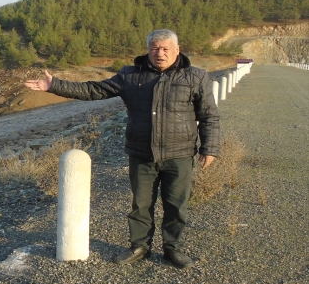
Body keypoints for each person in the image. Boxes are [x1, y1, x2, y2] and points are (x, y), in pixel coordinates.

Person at [24, 29, 220, 269]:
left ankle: (173, 249)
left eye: (166, 49)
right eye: (155, 48)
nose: (160, 53)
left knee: (176, 205)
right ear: (148, 50)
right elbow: (93, 90)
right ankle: (139, 246)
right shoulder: (130, 76)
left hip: (180, 154)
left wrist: (208, 148)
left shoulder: (196, 77)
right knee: (140, 205)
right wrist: (55, 85)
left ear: (177, 50)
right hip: (141, 153)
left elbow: (209, 115)